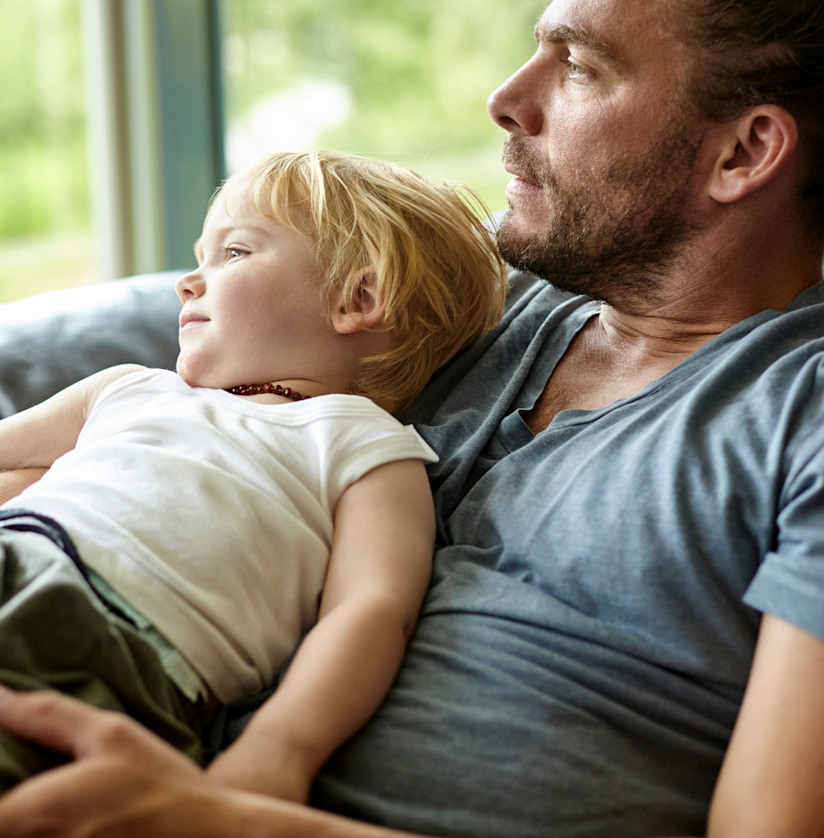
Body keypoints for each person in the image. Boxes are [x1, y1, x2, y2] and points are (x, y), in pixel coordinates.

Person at [0, 0, 824, 838]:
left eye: (579, 66)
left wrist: (234, 820)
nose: (504, 100)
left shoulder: (797, 422)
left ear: (744, 153)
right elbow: (188, 369)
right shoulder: (484, 297)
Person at [0, 151, 506, 799]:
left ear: (359, 298)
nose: (188, 281)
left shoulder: (366, 449)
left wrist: (279, 749)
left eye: (233, 253)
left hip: (116, 654)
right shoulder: (127, 388)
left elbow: (368, 610)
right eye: (199, 257)